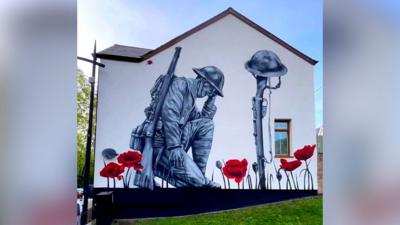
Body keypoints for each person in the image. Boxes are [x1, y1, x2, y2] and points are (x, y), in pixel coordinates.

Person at [151, 66, 224, 188]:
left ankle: (199, 175)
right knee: (199, 183)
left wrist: (212, 98)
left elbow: (202, 122)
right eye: (211, 90)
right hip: (162, 145)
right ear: (204, 82)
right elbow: (169, 116)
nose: (209, 94)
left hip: (175, 144)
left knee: (207, 125)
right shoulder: (180, 85)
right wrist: (174, 147)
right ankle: (158, 167)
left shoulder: (190, 96)